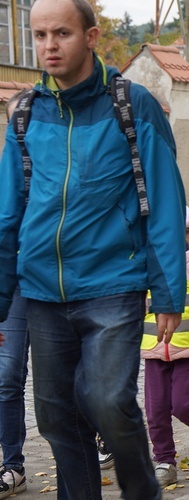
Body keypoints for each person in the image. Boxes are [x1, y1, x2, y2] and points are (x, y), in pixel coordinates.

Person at [0, 1, 187, 498]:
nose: (48, 46)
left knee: (106, 401)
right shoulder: (24, 114)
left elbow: (165, 201)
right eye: (39, 35)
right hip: (42, 290)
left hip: (113, 283)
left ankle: (142, 490)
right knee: (56, 416)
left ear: (91, 35)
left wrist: (169, 291)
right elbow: (7, 214)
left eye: (60, 33)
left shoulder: (132, 104)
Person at [141, 207, 189, 487]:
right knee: (156, 410)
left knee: (183, 403)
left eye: (186, 231)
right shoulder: (152, 260)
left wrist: (188, 254)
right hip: (155, 346)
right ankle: (164, 461)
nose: (180, 237)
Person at [0, 91, 29, 500]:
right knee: (6, 375)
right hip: (14, 283)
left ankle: (98, 438)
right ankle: (14, 465)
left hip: (61, 278)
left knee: (78, 376)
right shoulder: (6, 169)